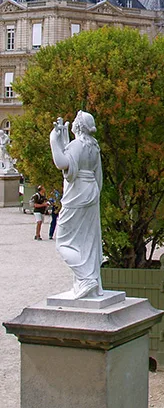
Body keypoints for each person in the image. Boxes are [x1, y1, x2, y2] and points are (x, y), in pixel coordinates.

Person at [49, 111, 104, 299]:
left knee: (63, 242)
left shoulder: (77, 145)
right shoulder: (93, 147)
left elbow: (62, 163)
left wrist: (53, 141)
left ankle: (86, 277)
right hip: (91, 192)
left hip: (77, 194)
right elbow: (99, 177)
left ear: (78, 126)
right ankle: (88, 280)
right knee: (87, 240)